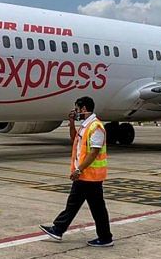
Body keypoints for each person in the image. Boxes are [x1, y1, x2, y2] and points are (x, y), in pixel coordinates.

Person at [40, 96, 113, 247]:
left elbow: (94, 152)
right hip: (85, 175)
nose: (76, 112)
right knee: (79, 204)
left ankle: (104, 237)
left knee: (91, 207)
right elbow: (74, 139)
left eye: (77, 109)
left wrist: (79, 169)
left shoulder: (96, 127)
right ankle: (59, 229)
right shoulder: (86, 126)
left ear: (84, 109)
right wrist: (72, 123)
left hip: (90, 176)